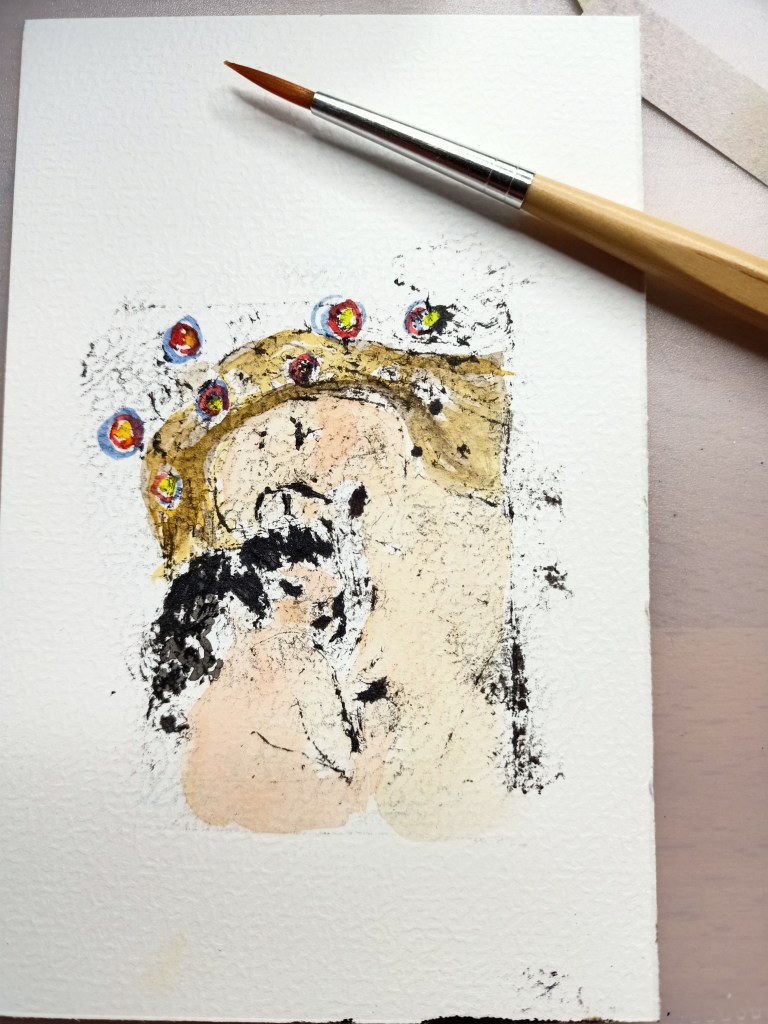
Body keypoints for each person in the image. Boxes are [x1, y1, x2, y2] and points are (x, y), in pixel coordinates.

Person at [142, 326, 522, 840]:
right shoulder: (334, 638)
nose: (313, 472)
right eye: (279, 506)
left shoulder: (476, 527)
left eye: (300, 431)